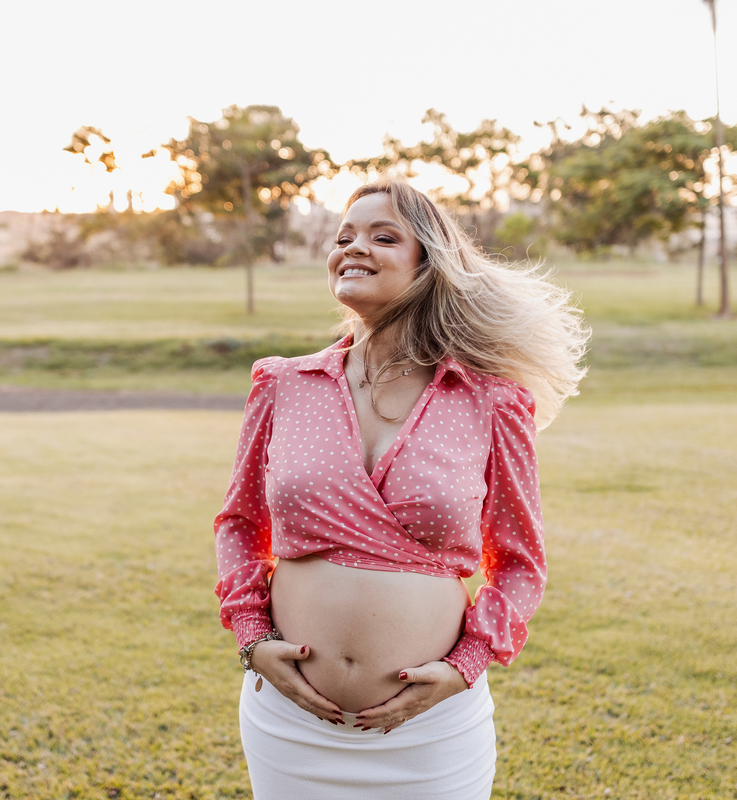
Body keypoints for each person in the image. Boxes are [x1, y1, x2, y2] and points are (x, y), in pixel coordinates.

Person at [213, 179, 589, 799]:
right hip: (288, 725)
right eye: (344, 237)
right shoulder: (283, 385)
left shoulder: (491, 402)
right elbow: (240, 524)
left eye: (383, 237)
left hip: (431, 737)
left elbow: (519, 561)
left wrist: (465, 665)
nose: (353, 248)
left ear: (428, 264)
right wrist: (252, 634)